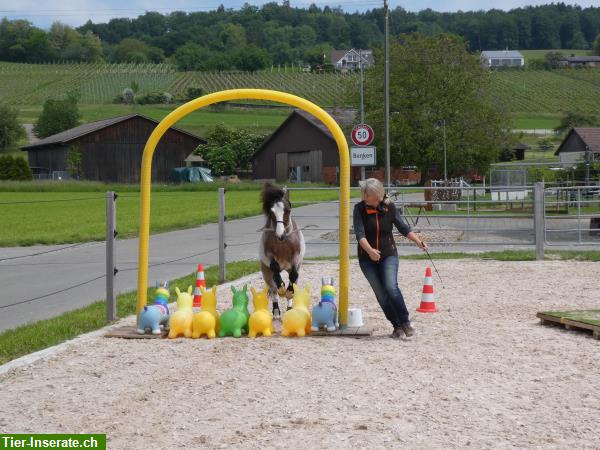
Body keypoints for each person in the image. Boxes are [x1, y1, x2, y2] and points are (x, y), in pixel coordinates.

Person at [353, 178, 428, 338]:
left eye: (367, 194)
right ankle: (396, 326)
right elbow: (360, 234)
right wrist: (370, 251)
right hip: (367, 258)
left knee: (391, 287)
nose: (364, 197)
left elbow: (403, 228)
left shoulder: (389, 207)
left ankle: (405, 323)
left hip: (388, 254)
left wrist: (418, 242)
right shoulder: (359, 209)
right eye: (363, 194)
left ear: (377, 195)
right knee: (381, 293)